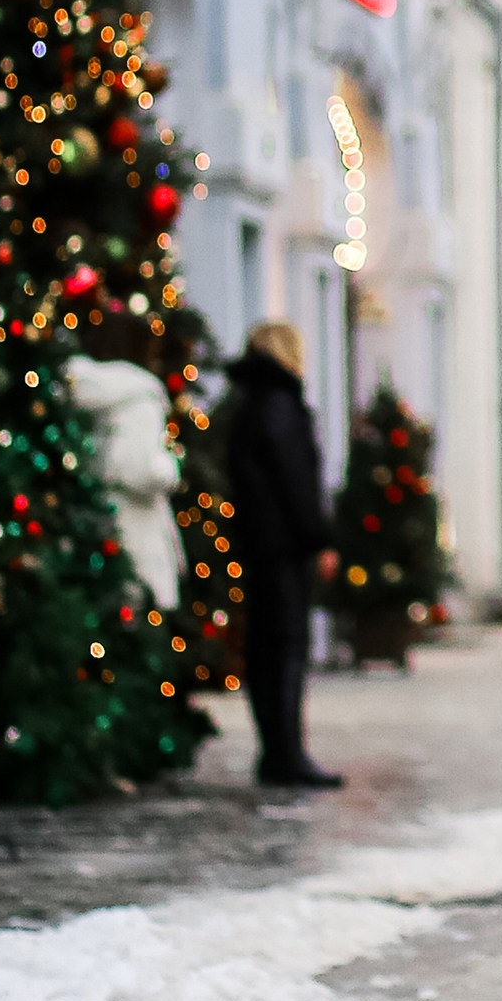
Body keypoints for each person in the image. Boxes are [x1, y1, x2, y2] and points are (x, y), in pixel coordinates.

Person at [219, 322, 343, 792]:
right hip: (283, 547)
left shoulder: (248, 404)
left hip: (255, 543)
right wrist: (319, 538)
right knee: (287, 647)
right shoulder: (282, 404)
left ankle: (276, 750)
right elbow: (296, 480)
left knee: (266, 648)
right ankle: (287, 754)